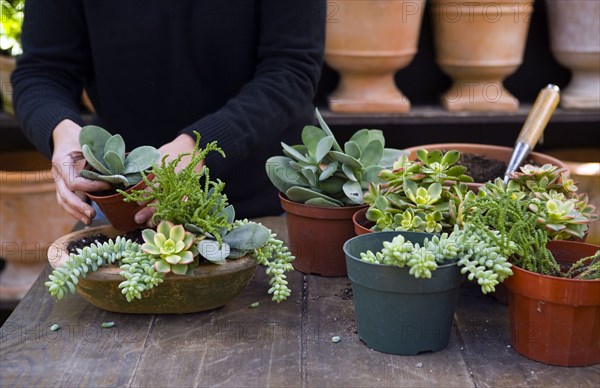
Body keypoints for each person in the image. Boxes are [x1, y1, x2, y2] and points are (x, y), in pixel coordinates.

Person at [12, 0, 326, 225]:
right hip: (123, 208)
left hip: (267, 210)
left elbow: (291, 72)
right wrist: (62, 132)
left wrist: (198, 147)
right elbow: (43, 72)